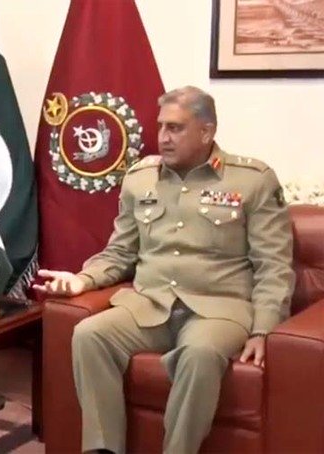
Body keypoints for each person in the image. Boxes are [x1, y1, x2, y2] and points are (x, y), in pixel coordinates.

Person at [34, 86, 294, 454]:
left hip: (219, 310)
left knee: (200, 354)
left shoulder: (252, 180)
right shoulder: (141, 178)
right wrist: (81, 279)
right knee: (90, 335)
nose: (164, 138)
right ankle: (103, 449)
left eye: (176, 128)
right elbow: (120, 250)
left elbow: (274, 265)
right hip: (150, 305)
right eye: (161, 127)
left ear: (206, 132)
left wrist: (264, 329)